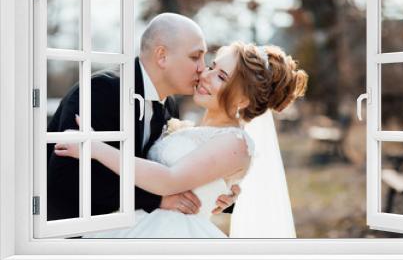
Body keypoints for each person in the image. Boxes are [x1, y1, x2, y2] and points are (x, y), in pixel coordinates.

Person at [54, 42, 308, 238]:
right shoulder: (182, 120)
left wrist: (96, 148)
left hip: (170, 233)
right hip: (138, 224)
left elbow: (169, 181)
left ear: (244, 100)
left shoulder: (235, 142)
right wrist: (221, 193)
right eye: (212, 66)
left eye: (221, 77)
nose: (205, 75)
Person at [47, 13, 239, 222]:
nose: (202, 68)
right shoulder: (101, 92)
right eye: (195, 57)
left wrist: (218, 194)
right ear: (162, 56)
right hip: (71, 231)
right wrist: (155, 199)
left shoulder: (169, 106)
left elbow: (166, 174)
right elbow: (65, 179)